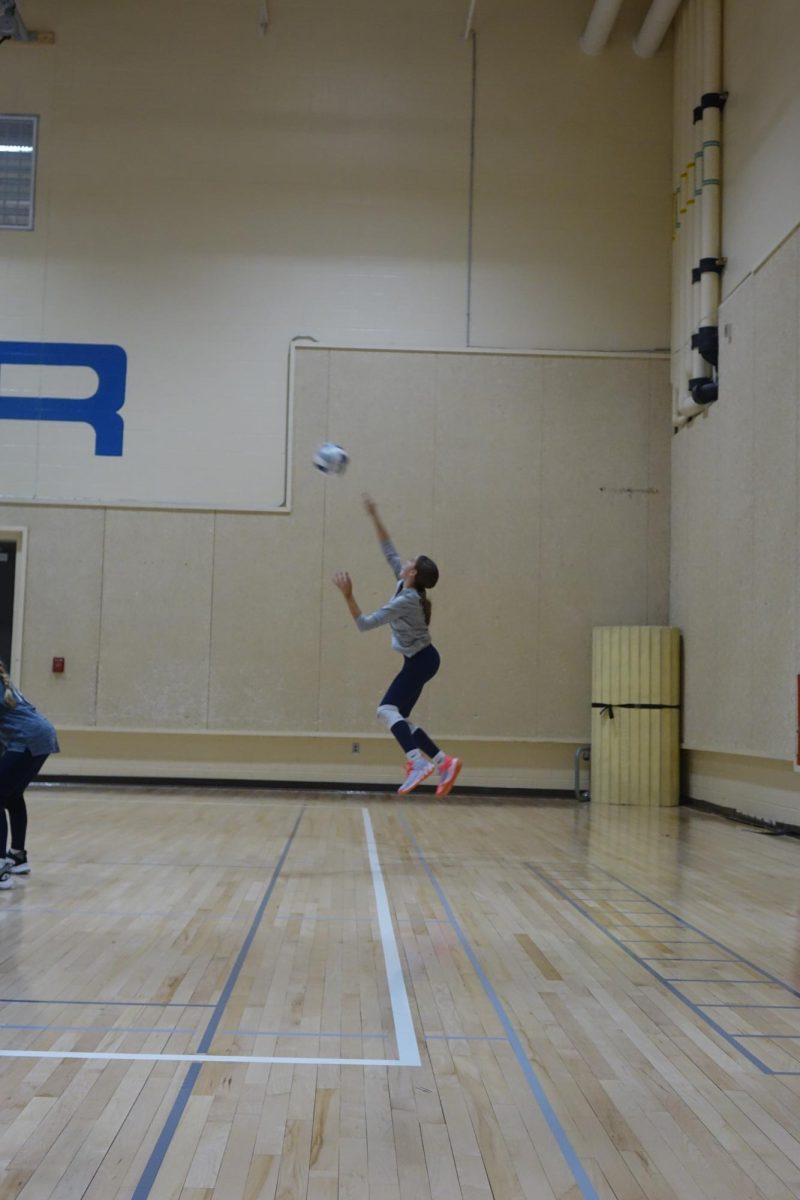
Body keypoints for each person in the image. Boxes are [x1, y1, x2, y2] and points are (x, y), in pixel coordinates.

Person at [333, 495, 462, 796]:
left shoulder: (406, 601)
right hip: (421, 660)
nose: (404, 562)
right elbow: (388, 548)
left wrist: (348, 595)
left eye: (410, 563)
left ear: (414, 573)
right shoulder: (405, 584)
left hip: (422, 661)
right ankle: (444, 762)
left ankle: (417, 762)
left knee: (386, 710)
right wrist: (374, 515)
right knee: (399, 718)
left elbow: (364, 624)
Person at [0, 660, 59, 890]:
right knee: (12, 795)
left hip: (27, 739)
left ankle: (1, 869)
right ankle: (17, 856)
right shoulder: (5, 685)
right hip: (42, 735)